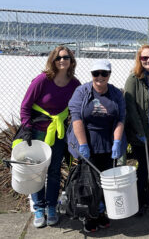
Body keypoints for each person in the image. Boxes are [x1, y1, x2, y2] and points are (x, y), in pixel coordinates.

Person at [17, 46, 81, 228]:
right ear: (53, 60)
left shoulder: (74, 84)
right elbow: (25, 106)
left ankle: (51, 207)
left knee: (54, 172)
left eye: (66, 57)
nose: (63, 60)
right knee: (36, 172)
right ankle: (39, 208)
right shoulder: (42, 80)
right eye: (59, 57)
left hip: (59, 133)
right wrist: (27, 127)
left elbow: (78, 106)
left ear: (71, 61)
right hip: (37, 133)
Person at [68, 59, 126, 232]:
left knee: (106, 182)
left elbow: (120, 119)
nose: (100, 77)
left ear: (109, 75)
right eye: (96, 73)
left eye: (104, 73)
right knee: (88, 183)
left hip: (108, 143)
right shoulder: (82, 92)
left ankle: (101, 213)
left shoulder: (116, 94)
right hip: (87, 141)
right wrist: (83, 145)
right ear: (91, 75)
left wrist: (117, 142)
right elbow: (76, 118)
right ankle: (89, 216)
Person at [124, 45, 149, 215]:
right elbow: (130, 108)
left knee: (148, 165)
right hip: (139, 133)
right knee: (142, 166)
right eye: (144, 58)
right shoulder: (134, 79)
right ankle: (138, 201)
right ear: (139, 60)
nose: (148, 60)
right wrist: (140, 132)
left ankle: (144, 195)